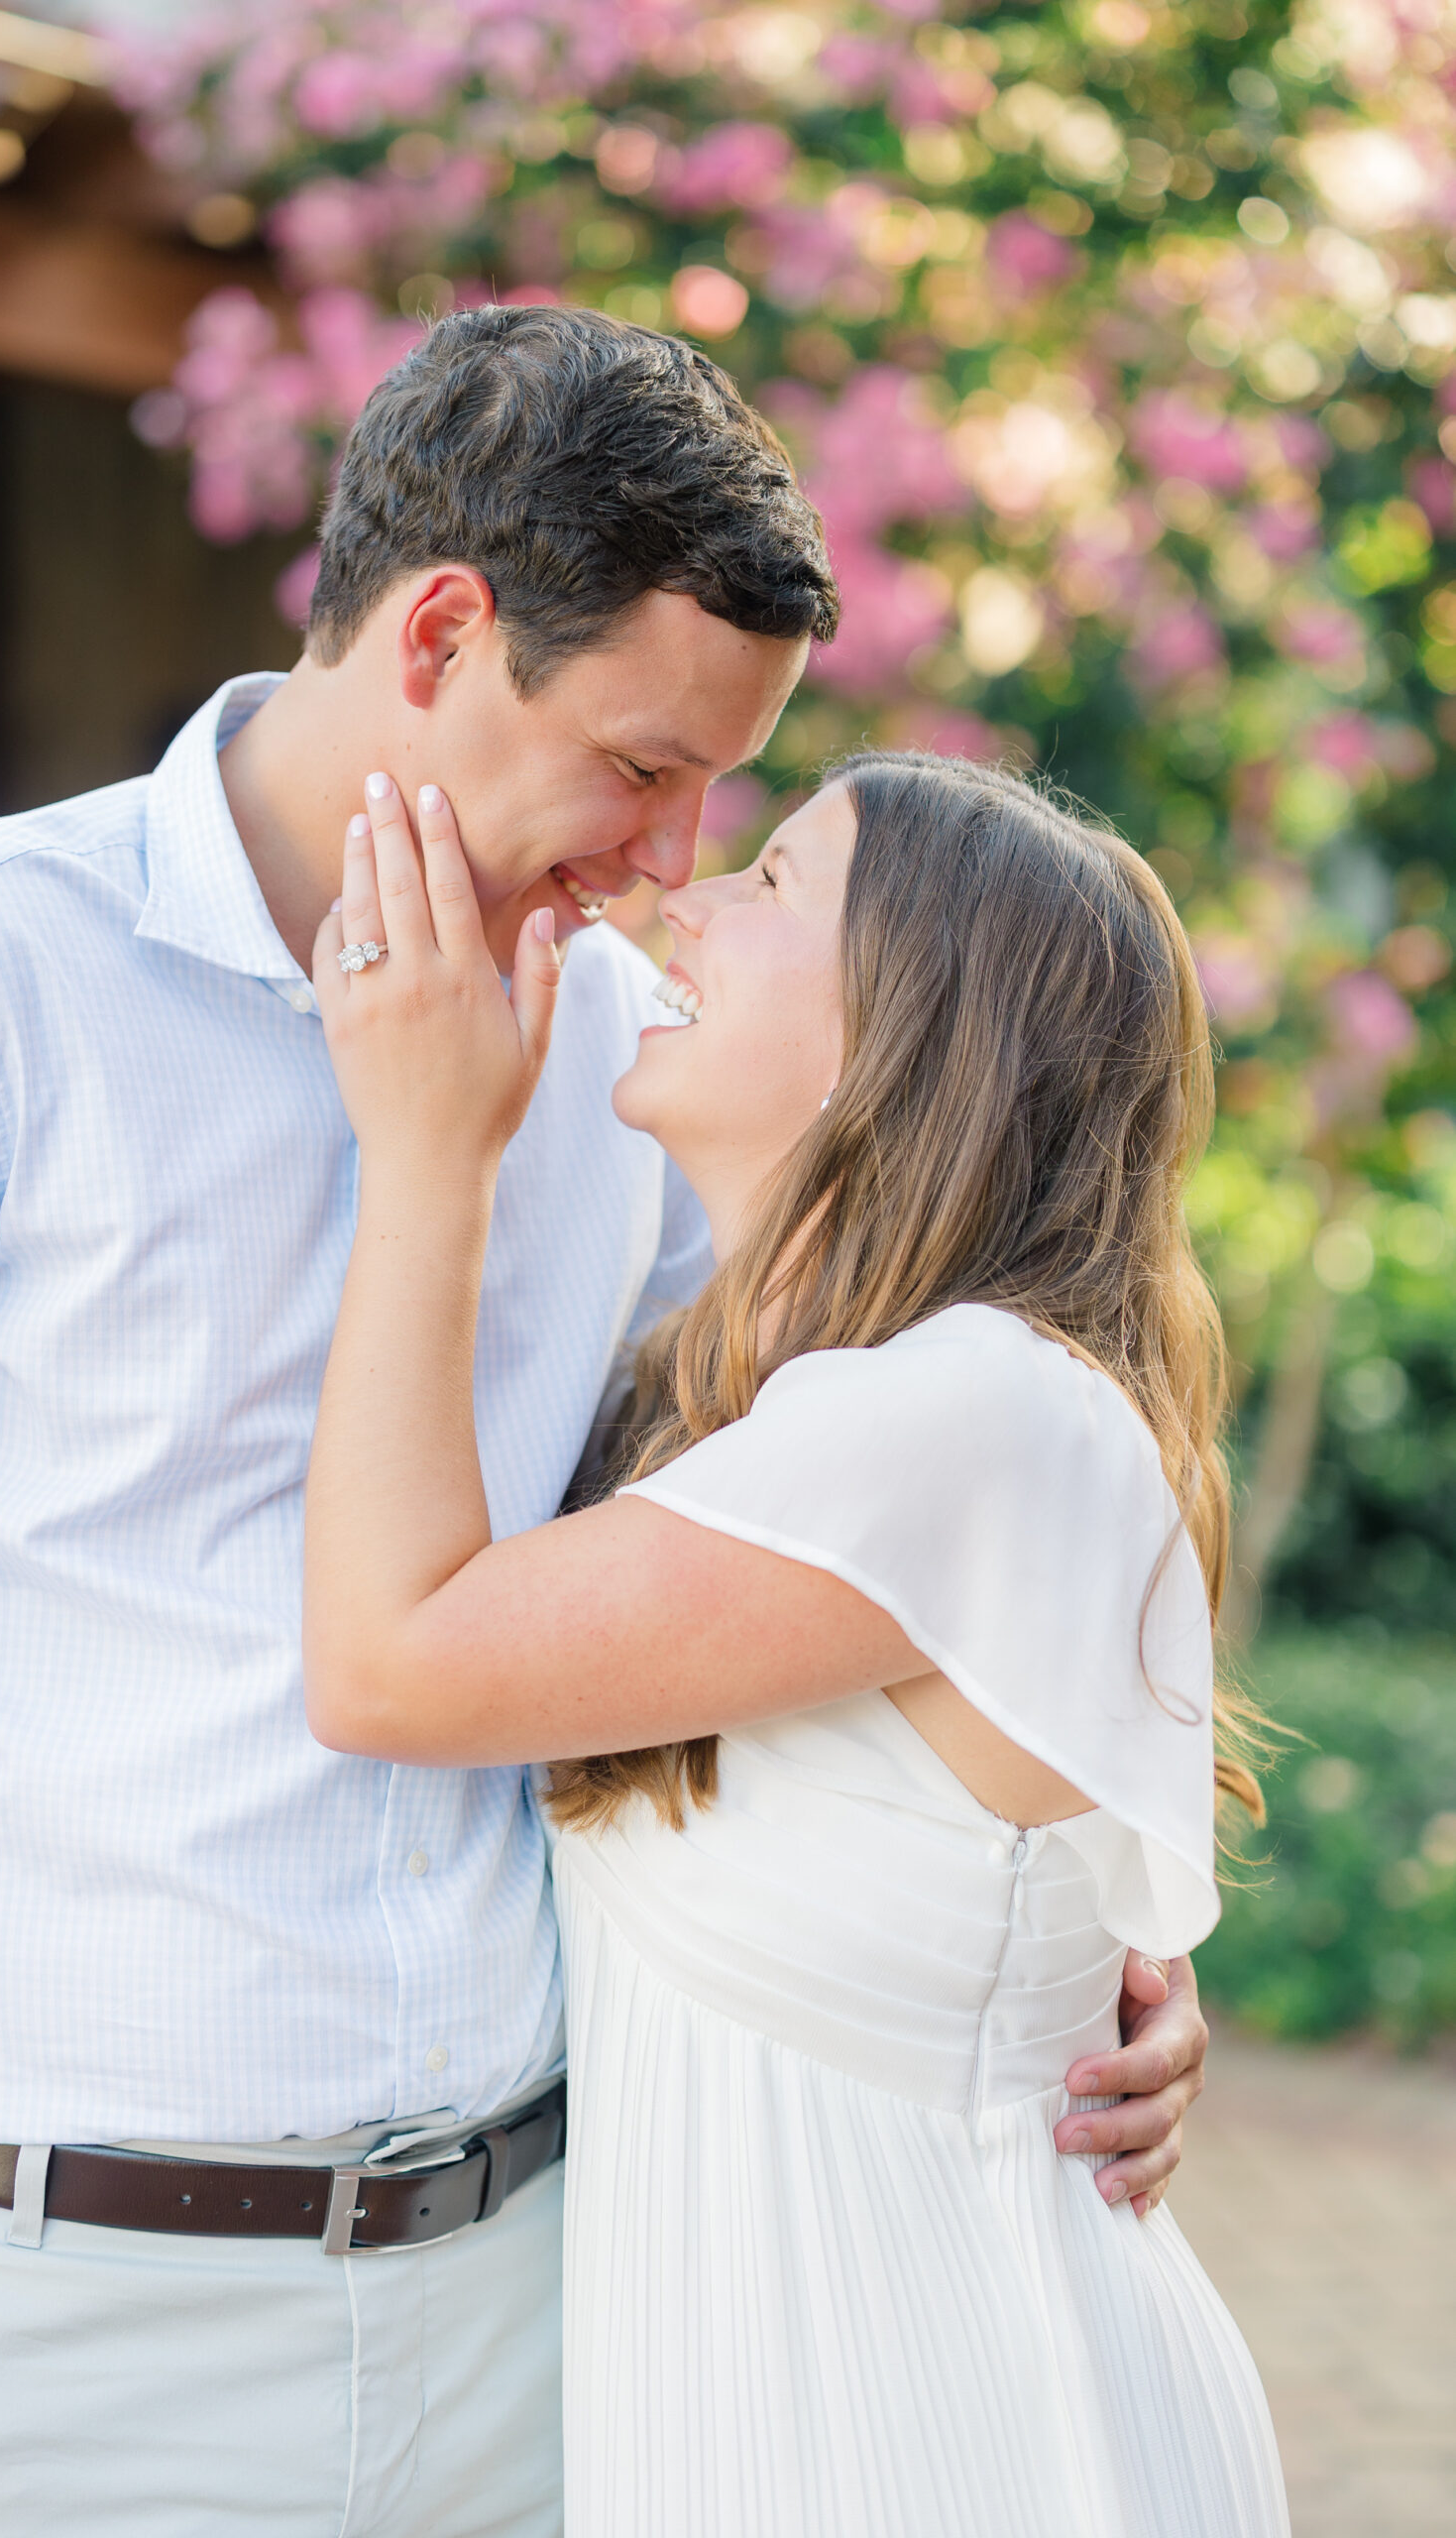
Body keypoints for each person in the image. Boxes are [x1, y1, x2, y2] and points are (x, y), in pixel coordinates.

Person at [0, 308, 1207, 2537]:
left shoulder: (628, 1065)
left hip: (553, 2330)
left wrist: (1062, 1950)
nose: (664, 856)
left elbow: (810, 1572)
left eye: (724, 794)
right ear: (442, 631)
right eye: (642, 766)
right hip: (39, 2327)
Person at [299, 749, 1289, 2536]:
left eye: (773, 884)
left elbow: (388, 1668)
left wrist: (426, 1147)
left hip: (940, 2421)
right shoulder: (762, 1419)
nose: (690, 896)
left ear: (911, 1029)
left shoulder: (979, 1410)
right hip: (769, 2397)